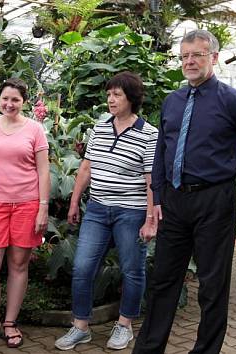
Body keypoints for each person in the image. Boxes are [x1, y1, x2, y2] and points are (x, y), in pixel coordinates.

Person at [133, 30, 236, 354]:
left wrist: (233, 169)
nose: (189, 62)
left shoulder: (232, 100)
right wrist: (157, 195)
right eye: (184, 56)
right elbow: (161, 150)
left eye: (196, 55)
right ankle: (148, 349)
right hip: (174, 202)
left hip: (214, 201)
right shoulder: (173, 101)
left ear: (213, 57)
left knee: (213, 285)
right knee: (163, 281)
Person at [54, 71, 158, 351]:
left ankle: (124, 326)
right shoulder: (100, 128)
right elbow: (86, 167)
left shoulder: (149, 134)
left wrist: (150, 220)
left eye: (117, 95)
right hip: (97, 210)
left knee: (132, 270)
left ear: (131, 99)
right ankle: (80, 327)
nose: (110, 100)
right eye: (109, 94)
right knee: (82, 267)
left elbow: (152, 181)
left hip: (132, 212)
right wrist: (75, 202)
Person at [0, 78, 50, 348]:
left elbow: (43, 171)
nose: (9, 104)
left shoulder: (35, 129)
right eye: (5, 99)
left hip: (26, 204)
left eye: (15, 99)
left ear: (23, 102)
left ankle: (10, 323)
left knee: (18, 265)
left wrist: (42, 208)